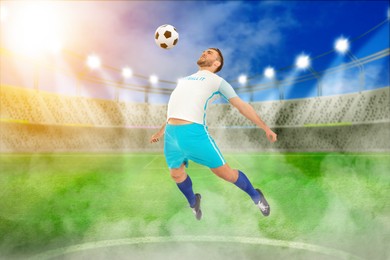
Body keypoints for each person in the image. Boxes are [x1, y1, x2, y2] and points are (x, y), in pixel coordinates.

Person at [150, 48, 277, 220]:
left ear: (217, 63)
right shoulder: (185, 80)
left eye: (209, 53)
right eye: (203, 51)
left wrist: (265, 128)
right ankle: (194, 202)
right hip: (172, 135)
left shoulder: (217, 81)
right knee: (176, 174)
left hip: (194, 133)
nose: (204, 53)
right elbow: (175, 110)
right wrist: (160, 132)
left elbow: (241, 106)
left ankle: (256, 196)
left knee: (227, 174)